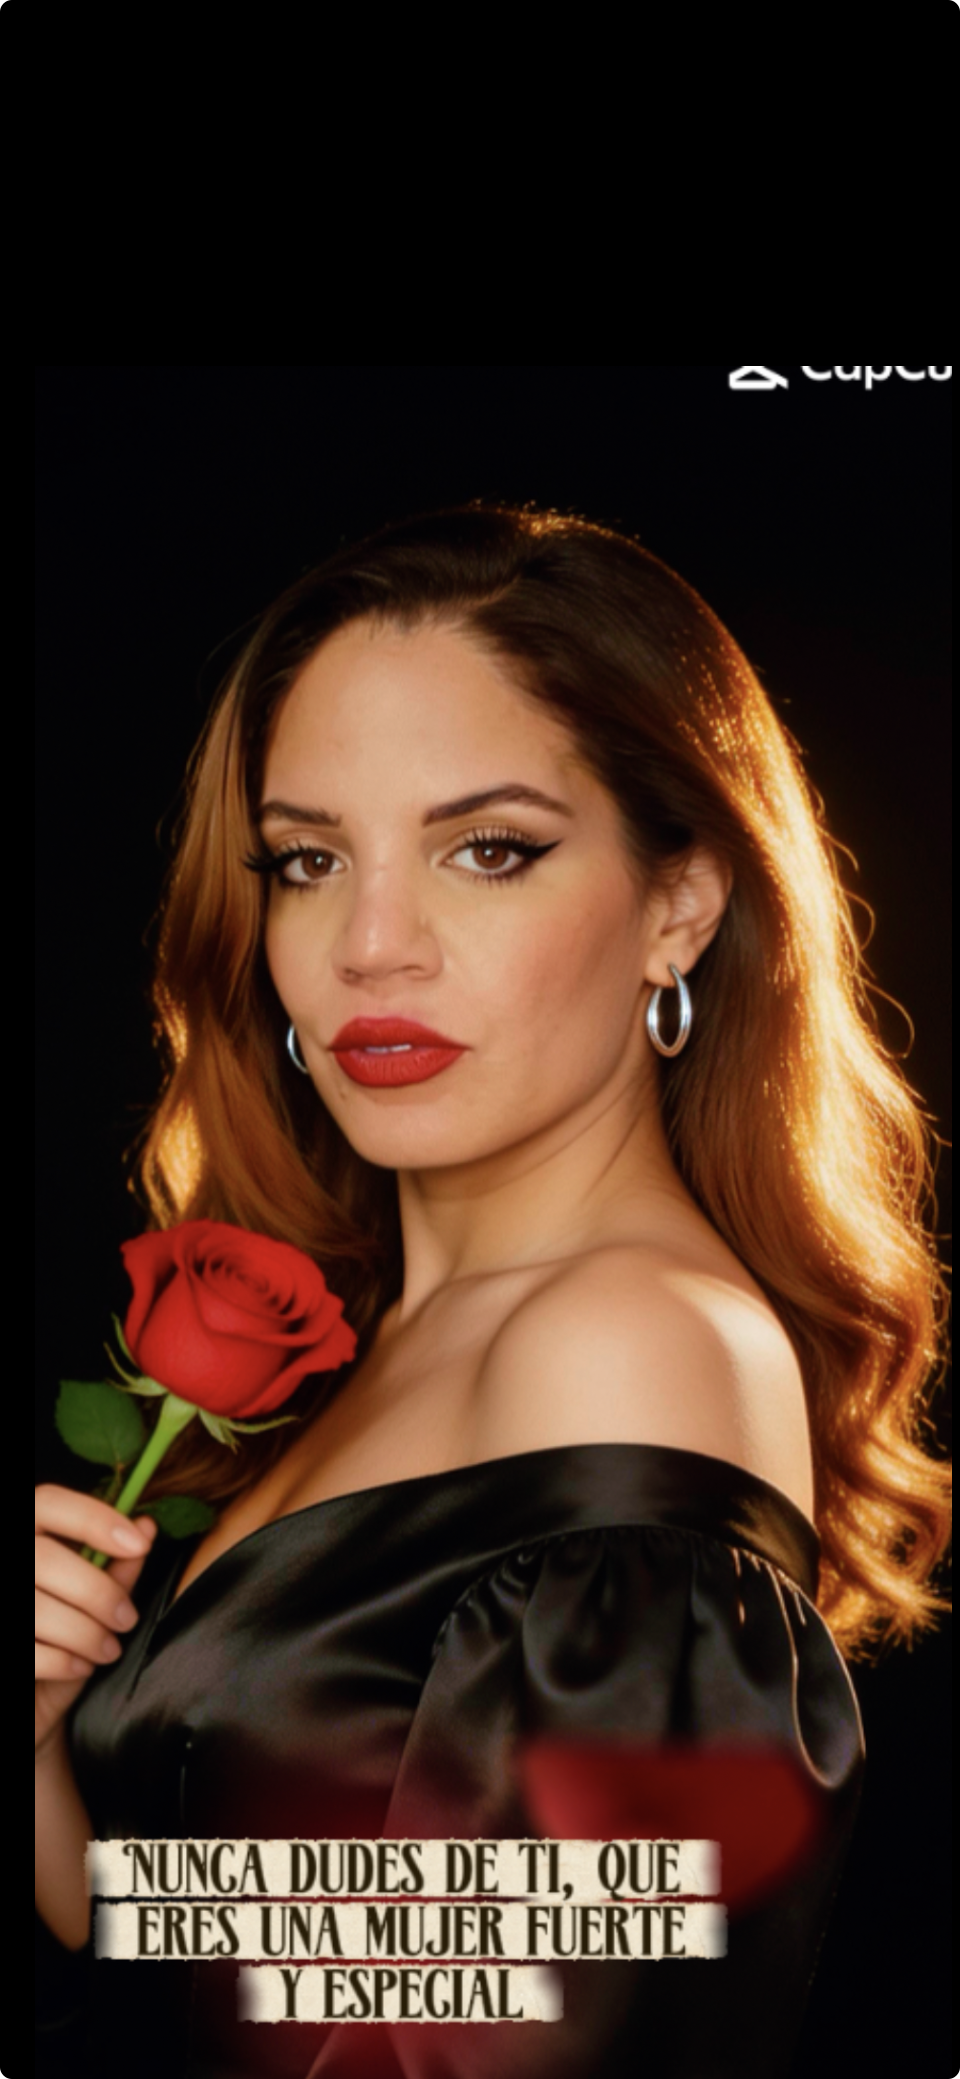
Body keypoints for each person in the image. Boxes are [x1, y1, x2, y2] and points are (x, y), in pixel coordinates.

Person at [35, 506, 950, 2079]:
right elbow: (230, 1957)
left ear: (683, 901)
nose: (370, 946)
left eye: (491, 850)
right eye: (310, 861)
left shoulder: (630, 1343)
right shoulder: (365, 1336)